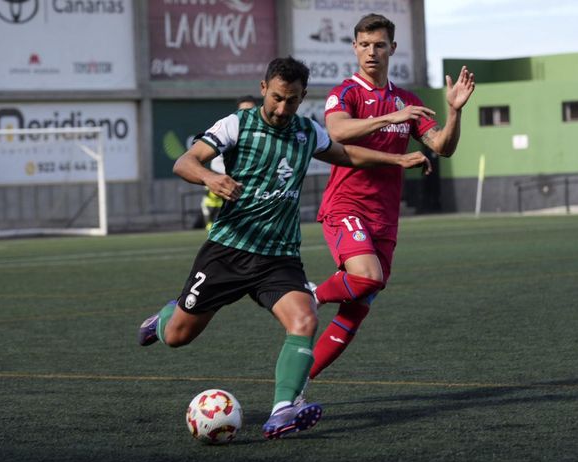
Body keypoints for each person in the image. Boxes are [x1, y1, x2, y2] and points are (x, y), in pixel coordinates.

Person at [137, 56, 431, 439]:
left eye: (291, 100)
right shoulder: (236, 125)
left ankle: (281, 411)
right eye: (276, 98)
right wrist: (210, 178)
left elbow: (346, 155)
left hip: (279, 257)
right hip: (228, 251)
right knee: (179, 336)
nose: (281, 108)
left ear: (302, 97)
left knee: (305, 318)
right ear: (264, 89)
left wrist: (397, 159)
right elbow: (185, 162)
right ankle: (162, 319)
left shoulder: (306, 132)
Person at [306, 13, 475, 382]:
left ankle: (296, 387)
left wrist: (454, 110)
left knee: (358, 307)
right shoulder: (345, 93)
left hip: (385, 218)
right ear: (354, 48)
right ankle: (310, 295)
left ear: (392, 49)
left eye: (379, 45)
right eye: (364, 45)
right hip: (345, 206)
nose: (371, 52)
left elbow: (443, 147)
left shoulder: (408, 101)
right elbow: (337, 129)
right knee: (367, 277)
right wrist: (391, 116)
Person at [200, 95, 257, 231]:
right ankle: (212, 228)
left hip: (250, 185)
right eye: (243, 110)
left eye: (250, 110)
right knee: (214, 206)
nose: (247, 114)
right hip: (223, 177)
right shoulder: (230, 128)